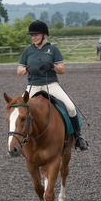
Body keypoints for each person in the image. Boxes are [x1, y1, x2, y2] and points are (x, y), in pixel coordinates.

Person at [17, 20, 88, 151]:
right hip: (33, 85)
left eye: (36, 35)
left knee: (71, 108)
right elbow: (19, 70)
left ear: (44, 35)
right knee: (17, 110)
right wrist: (27, 69)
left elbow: (62, 70)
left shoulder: (53, 50)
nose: (33, 37)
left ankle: (78, 137)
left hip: (51, 84)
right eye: (32, 35)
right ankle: (17, 140)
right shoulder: (28, 51)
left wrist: (53, 66)